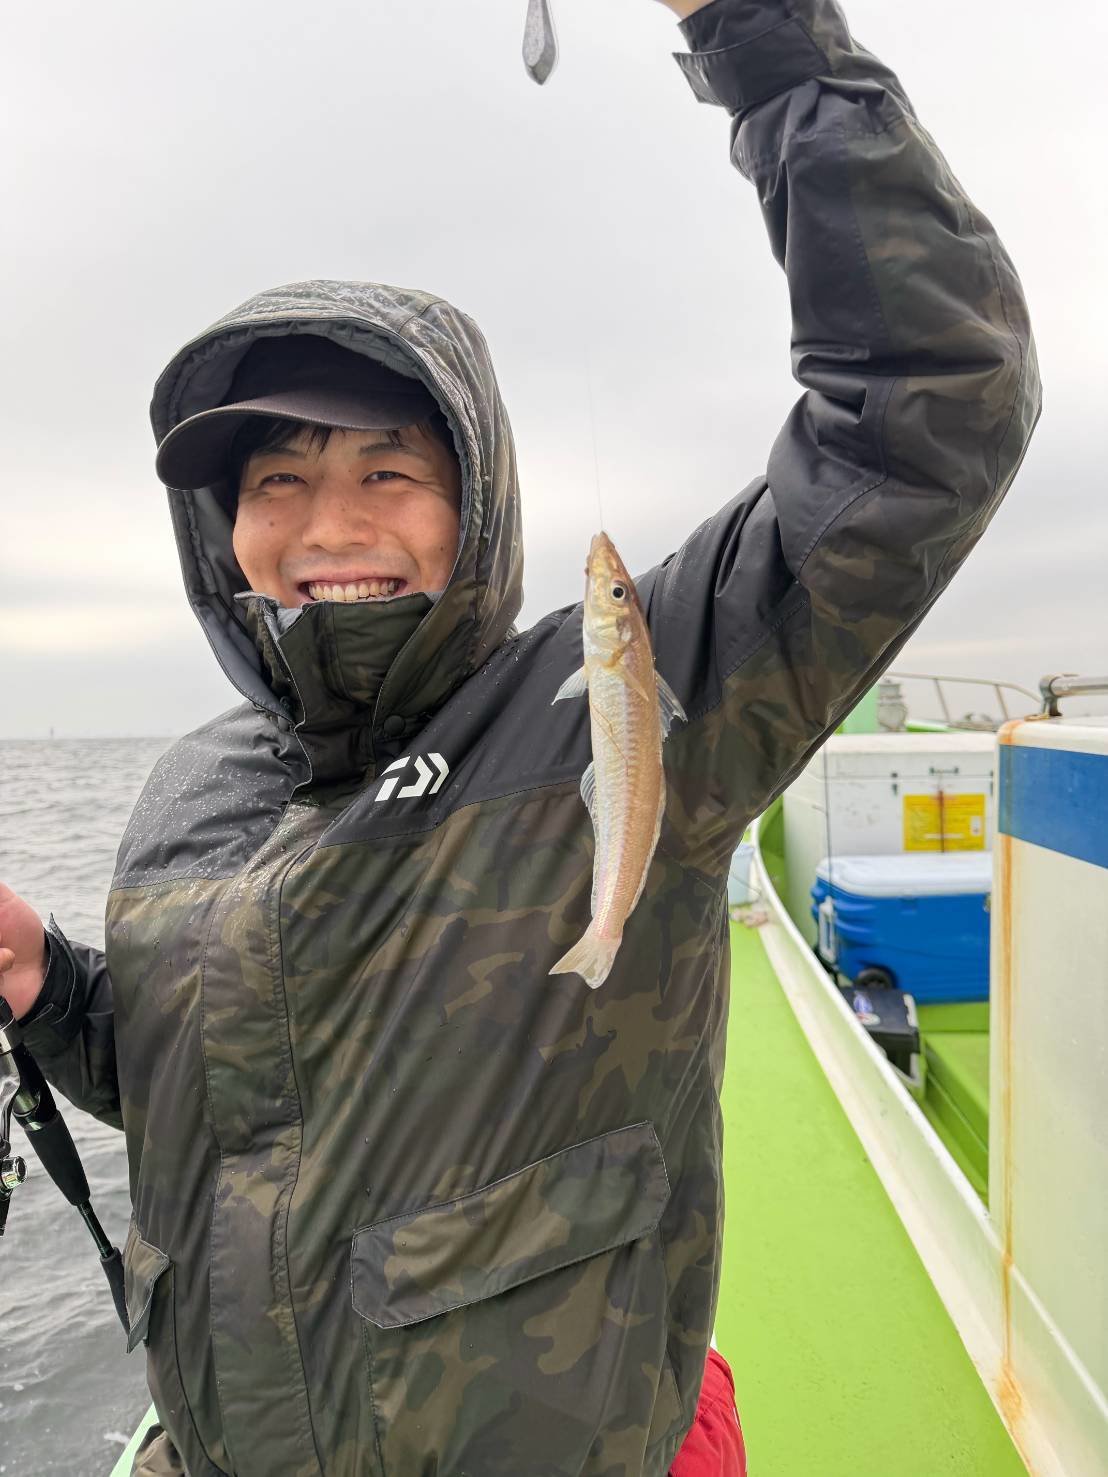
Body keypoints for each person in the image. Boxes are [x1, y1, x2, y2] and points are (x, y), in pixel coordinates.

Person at [0, 0, 1039, 1472]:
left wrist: (759, 39)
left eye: (388, 471)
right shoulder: (193, 787)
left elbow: (929, 413)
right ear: (221, 524)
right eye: (277, 480)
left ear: (476, 501)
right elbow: (215, 1080)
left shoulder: (625, 687)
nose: (329, 524)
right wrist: (51, 990)